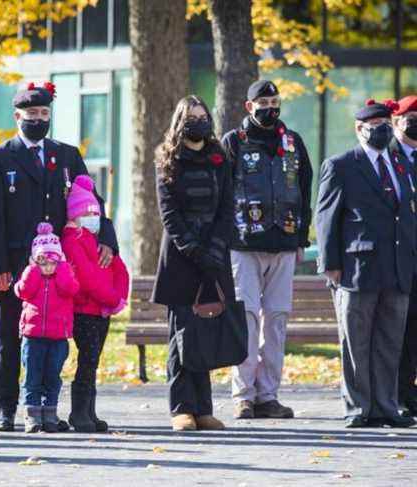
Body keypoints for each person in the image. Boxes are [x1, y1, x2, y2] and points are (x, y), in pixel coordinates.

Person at [0, 81, 119, 432]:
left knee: (54, 338)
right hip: (15, 267)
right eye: (32, 114)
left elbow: (92, 202)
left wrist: (108, 239)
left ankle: (49, 408)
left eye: (44, 114)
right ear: (17, 116)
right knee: (9, 338)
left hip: (60, 269)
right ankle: (6, 409)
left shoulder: (67, 155)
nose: (39, 120)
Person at [316, 98, 416, 429]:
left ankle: (386, 406)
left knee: (389, 343)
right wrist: (330, 263)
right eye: (376, 128)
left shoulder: (400, 165)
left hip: (397, 266)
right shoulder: (342, 165)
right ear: (360, 129)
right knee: (356, 342)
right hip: (357, 268)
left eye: (387, 126)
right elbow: (327, 218)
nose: (383, 132)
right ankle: (359, 408)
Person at [221, 80, 313, 420]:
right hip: (244, 245)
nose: (270, 108)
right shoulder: (234, 142)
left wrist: (301, 239)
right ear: (249, 107)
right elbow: (222, 192)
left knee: (276, 320)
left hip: (284, 243)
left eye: (275, 101)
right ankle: (243, 394)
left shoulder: (293, 142)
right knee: (246, 319)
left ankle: (268, 395)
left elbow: (306, 189)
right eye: (263, 102)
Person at [150, 95, 233, 432]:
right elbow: (169, 213)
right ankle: (181, 408)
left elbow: (228, 205)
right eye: (193, 117)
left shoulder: (219, 157)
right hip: (182, 258)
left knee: (205, 333)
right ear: (180, 121)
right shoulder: (167, 158)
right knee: (180, 335)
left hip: (214, 254)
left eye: (204, 116)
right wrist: (194, 250)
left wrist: (214, 248)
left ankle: (203, 408)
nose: (200, 122)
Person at [61, 175, 129, 432]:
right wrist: (112, 298)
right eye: (87, 213)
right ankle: (79, 412)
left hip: (102, 310)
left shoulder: (96, 238)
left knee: (94, 361)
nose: (92, 217)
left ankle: (90, 410)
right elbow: (88, 279)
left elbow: (118, 268)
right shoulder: (72, 241)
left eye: (95, 213)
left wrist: (119, 296)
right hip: (85, 310)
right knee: (87, 360)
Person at [14, 222, 78, 433]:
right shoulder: (32, 274)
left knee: (52, 376)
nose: (47, 265)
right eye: (42, 260)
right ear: (35, 259)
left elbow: (71, 289)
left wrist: (62, 270)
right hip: (33, 336)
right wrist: (32, 269)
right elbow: (22, 291)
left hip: (58, 337)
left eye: (52, 260)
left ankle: (49, 414)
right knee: (32, 377)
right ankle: (32, 416)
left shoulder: (64, 274)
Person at [390, 95, 417, 418]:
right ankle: (394, 393)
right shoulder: (387, 155)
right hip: (396, 258)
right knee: (395, 329)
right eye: (411, 117)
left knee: (413, 332)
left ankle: (409, 392)